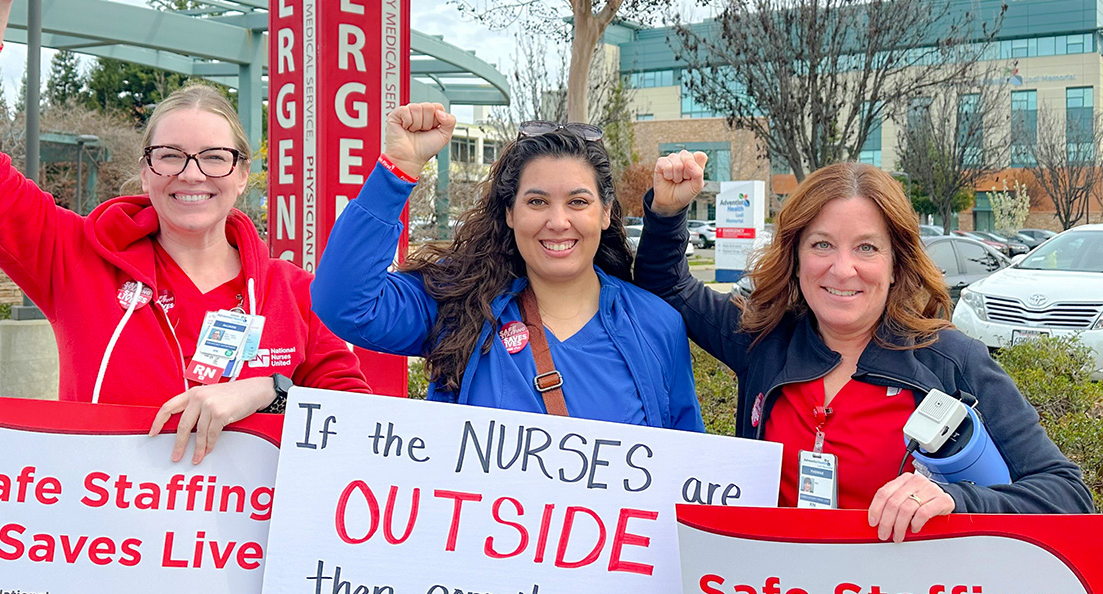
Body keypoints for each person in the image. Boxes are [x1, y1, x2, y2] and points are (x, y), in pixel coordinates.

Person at [0, 0, 370, 464]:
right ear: (145, 171)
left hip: (245, 535)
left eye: (215, 157)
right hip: (102, 532)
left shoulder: (294, 292)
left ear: (242, 175)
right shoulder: (77, 259)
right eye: (170, 155)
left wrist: (270, 391)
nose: (192, 174)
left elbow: (356, 425)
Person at [635, 155, 1093, 541]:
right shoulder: (764, 337)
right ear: (795, 258)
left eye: (867, 248)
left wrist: (956, 500)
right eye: (822, 245)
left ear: (896, 264)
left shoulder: (951, 361)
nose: (842, 268)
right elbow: (667, 285)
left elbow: (1067, 497)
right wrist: (668, 211)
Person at [311, 103, 702, 431]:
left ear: (605, 213)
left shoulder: (656, 325)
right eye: (536, 202)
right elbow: (344, 303)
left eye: (578, 202)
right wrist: (397, 169)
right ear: (510, 214)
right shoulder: (457, 305)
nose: (558, 221)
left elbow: (687, 472)